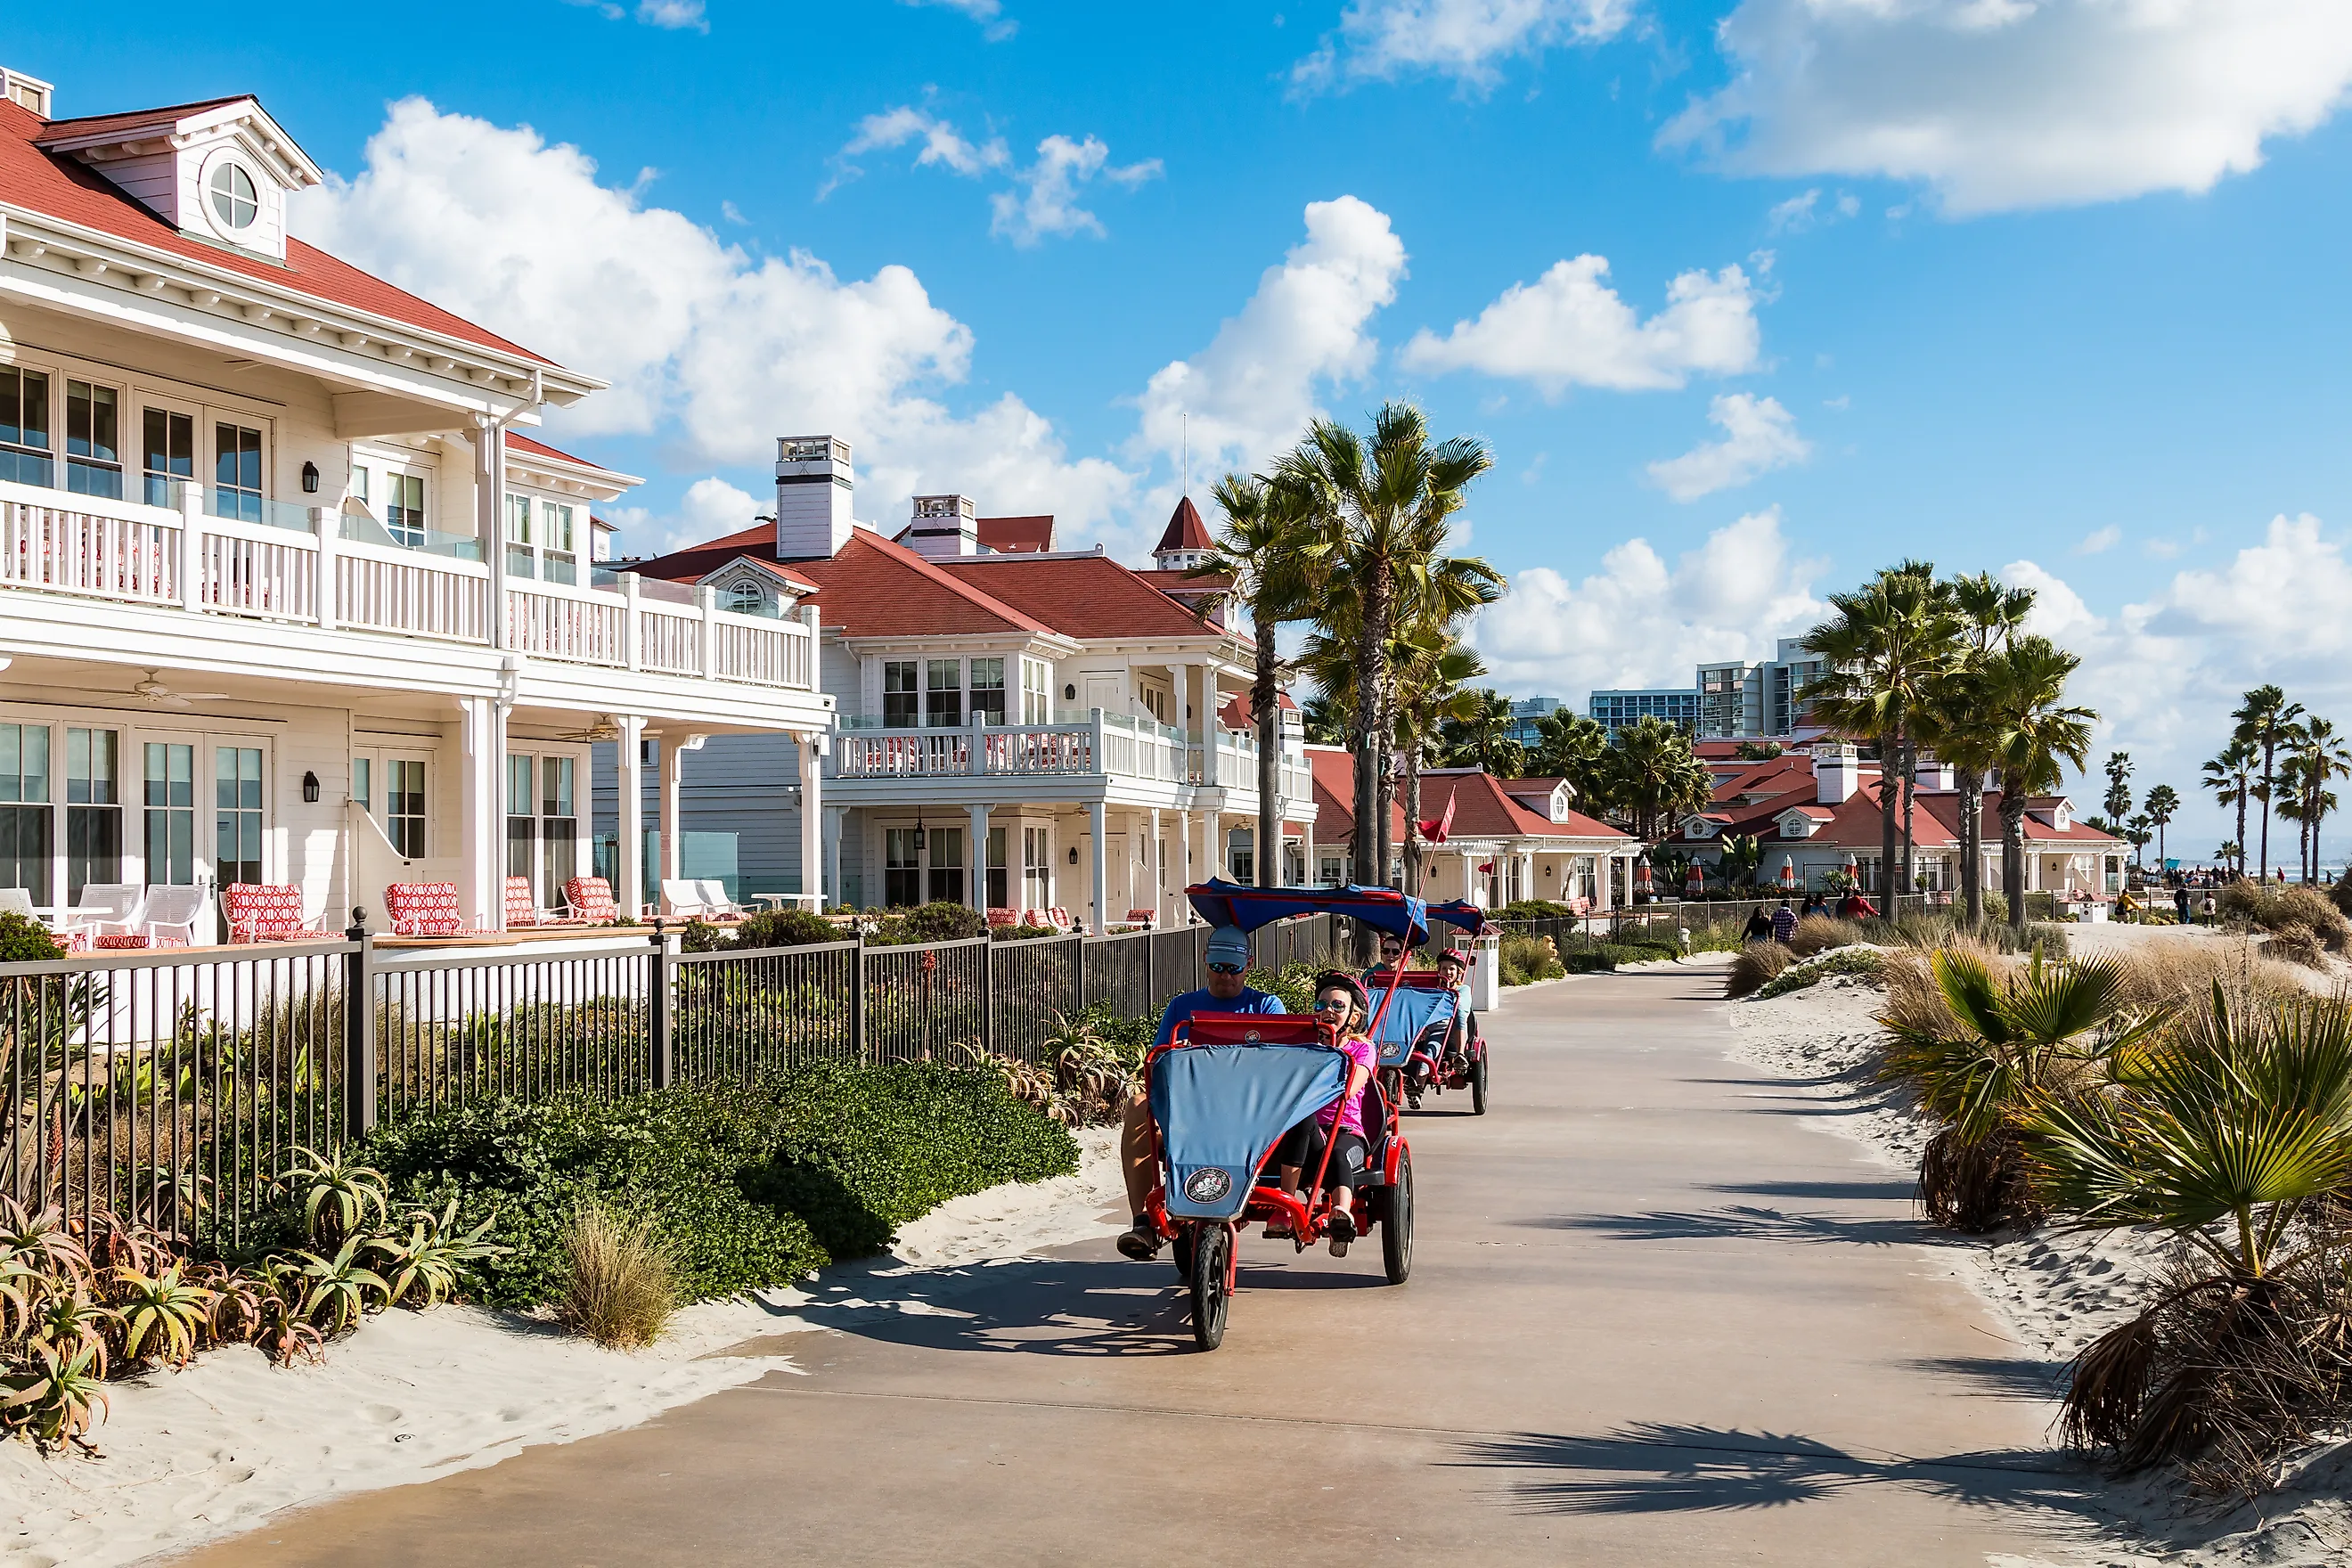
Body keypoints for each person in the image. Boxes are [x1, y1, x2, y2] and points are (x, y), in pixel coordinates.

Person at [1115, 926, 1286, 1261]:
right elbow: (1160, 1061)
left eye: (1234, 968)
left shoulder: (1265, 1005)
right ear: (1205, 962)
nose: (1225, 976)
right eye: (1218, 967)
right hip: (1193, 1107)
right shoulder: (1183, 1006)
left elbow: (1279, 1064)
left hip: (1248, 1111)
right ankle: (1143, 1223)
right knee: (1137, 1105)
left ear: (1249, 964)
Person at [1266, 972, 1380, 1256]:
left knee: (1339, 1154)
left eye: (1338, 1005)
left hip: (1345, 1132)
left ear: (1353, 1017)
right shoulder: (1305, 1046)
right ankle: (1286, 1204)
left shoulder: (1361, 1049)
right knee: (1301, 1117)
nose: (1328, 1010)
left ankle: (1342, 1214)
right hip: (1307, 1135)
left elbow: (1352, 1088)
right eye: (1321, 1004)